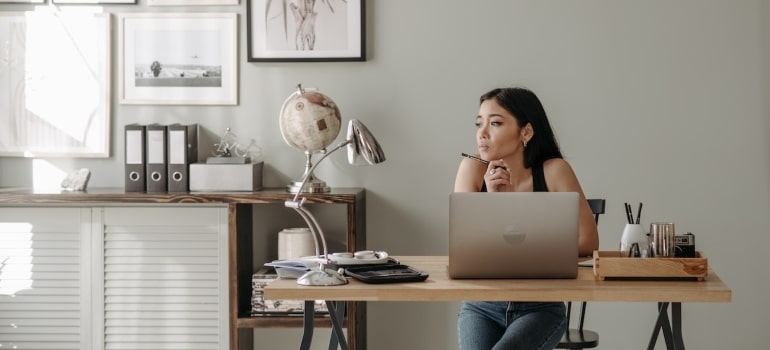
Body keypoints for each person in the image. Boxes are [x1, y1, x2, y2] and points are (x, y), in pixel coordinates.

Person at [454, 87, 599, 350]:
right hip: (482, 305)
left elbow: (588, 241)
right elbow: (466, 248)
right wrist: (492, 201)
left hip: (540, 307)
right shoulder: (472, 169)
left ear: (526, 132)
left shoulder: (554, 171)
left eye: (495, 123)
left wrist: (521, 249)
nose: (482, 133)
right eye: (479, 123)